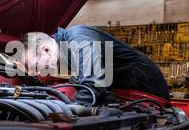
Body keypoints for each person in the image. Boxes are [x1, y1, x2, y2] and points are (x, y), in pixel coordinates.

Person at [22, 25, 170, 105]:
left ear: (46, 50)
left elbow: (94, 85)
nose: (36, 73)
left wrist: (70, 111)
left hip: (141, 79)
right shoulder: (65, 49)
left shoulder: (77, 39)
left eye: (36, 66)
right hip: (122, 84)